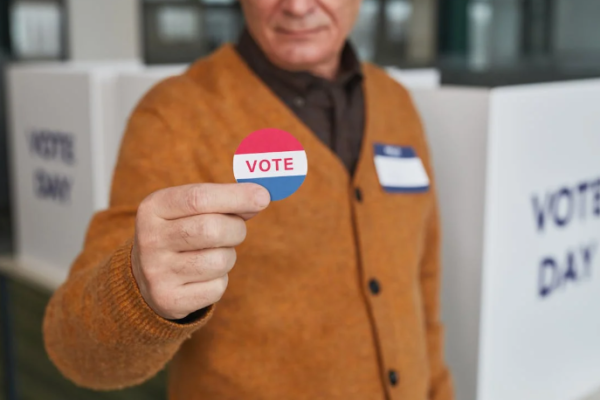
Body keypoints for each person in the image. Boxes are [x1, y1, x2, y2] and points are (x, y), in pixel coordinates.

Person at [43, 0, 453, 399]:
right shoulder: (175, 114)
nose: (297, 7)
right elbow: (75, 351)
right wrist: (137, 292)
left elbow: (422, 283)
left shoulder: (395, 102)